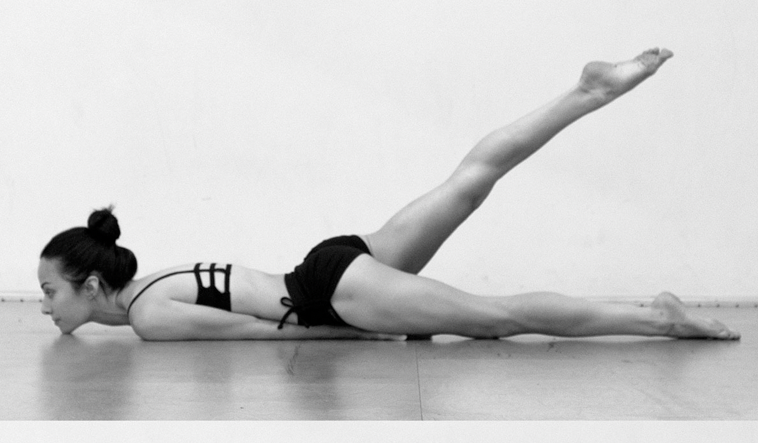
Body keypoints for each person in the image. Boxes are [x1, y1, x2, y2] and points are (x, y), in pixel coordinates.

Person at [38, 49, 739, 343]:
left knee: (494, 318)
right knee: (467, 183)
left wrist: (375, 326)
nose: (44, 306)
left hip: (331, 293)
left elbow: (270, 335)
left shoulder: (149, 317)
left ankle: (654, 317)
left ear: (92, 285)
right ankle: (586, 92)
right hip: (330, 262)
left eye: (49, 291)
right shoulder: (153, 283)